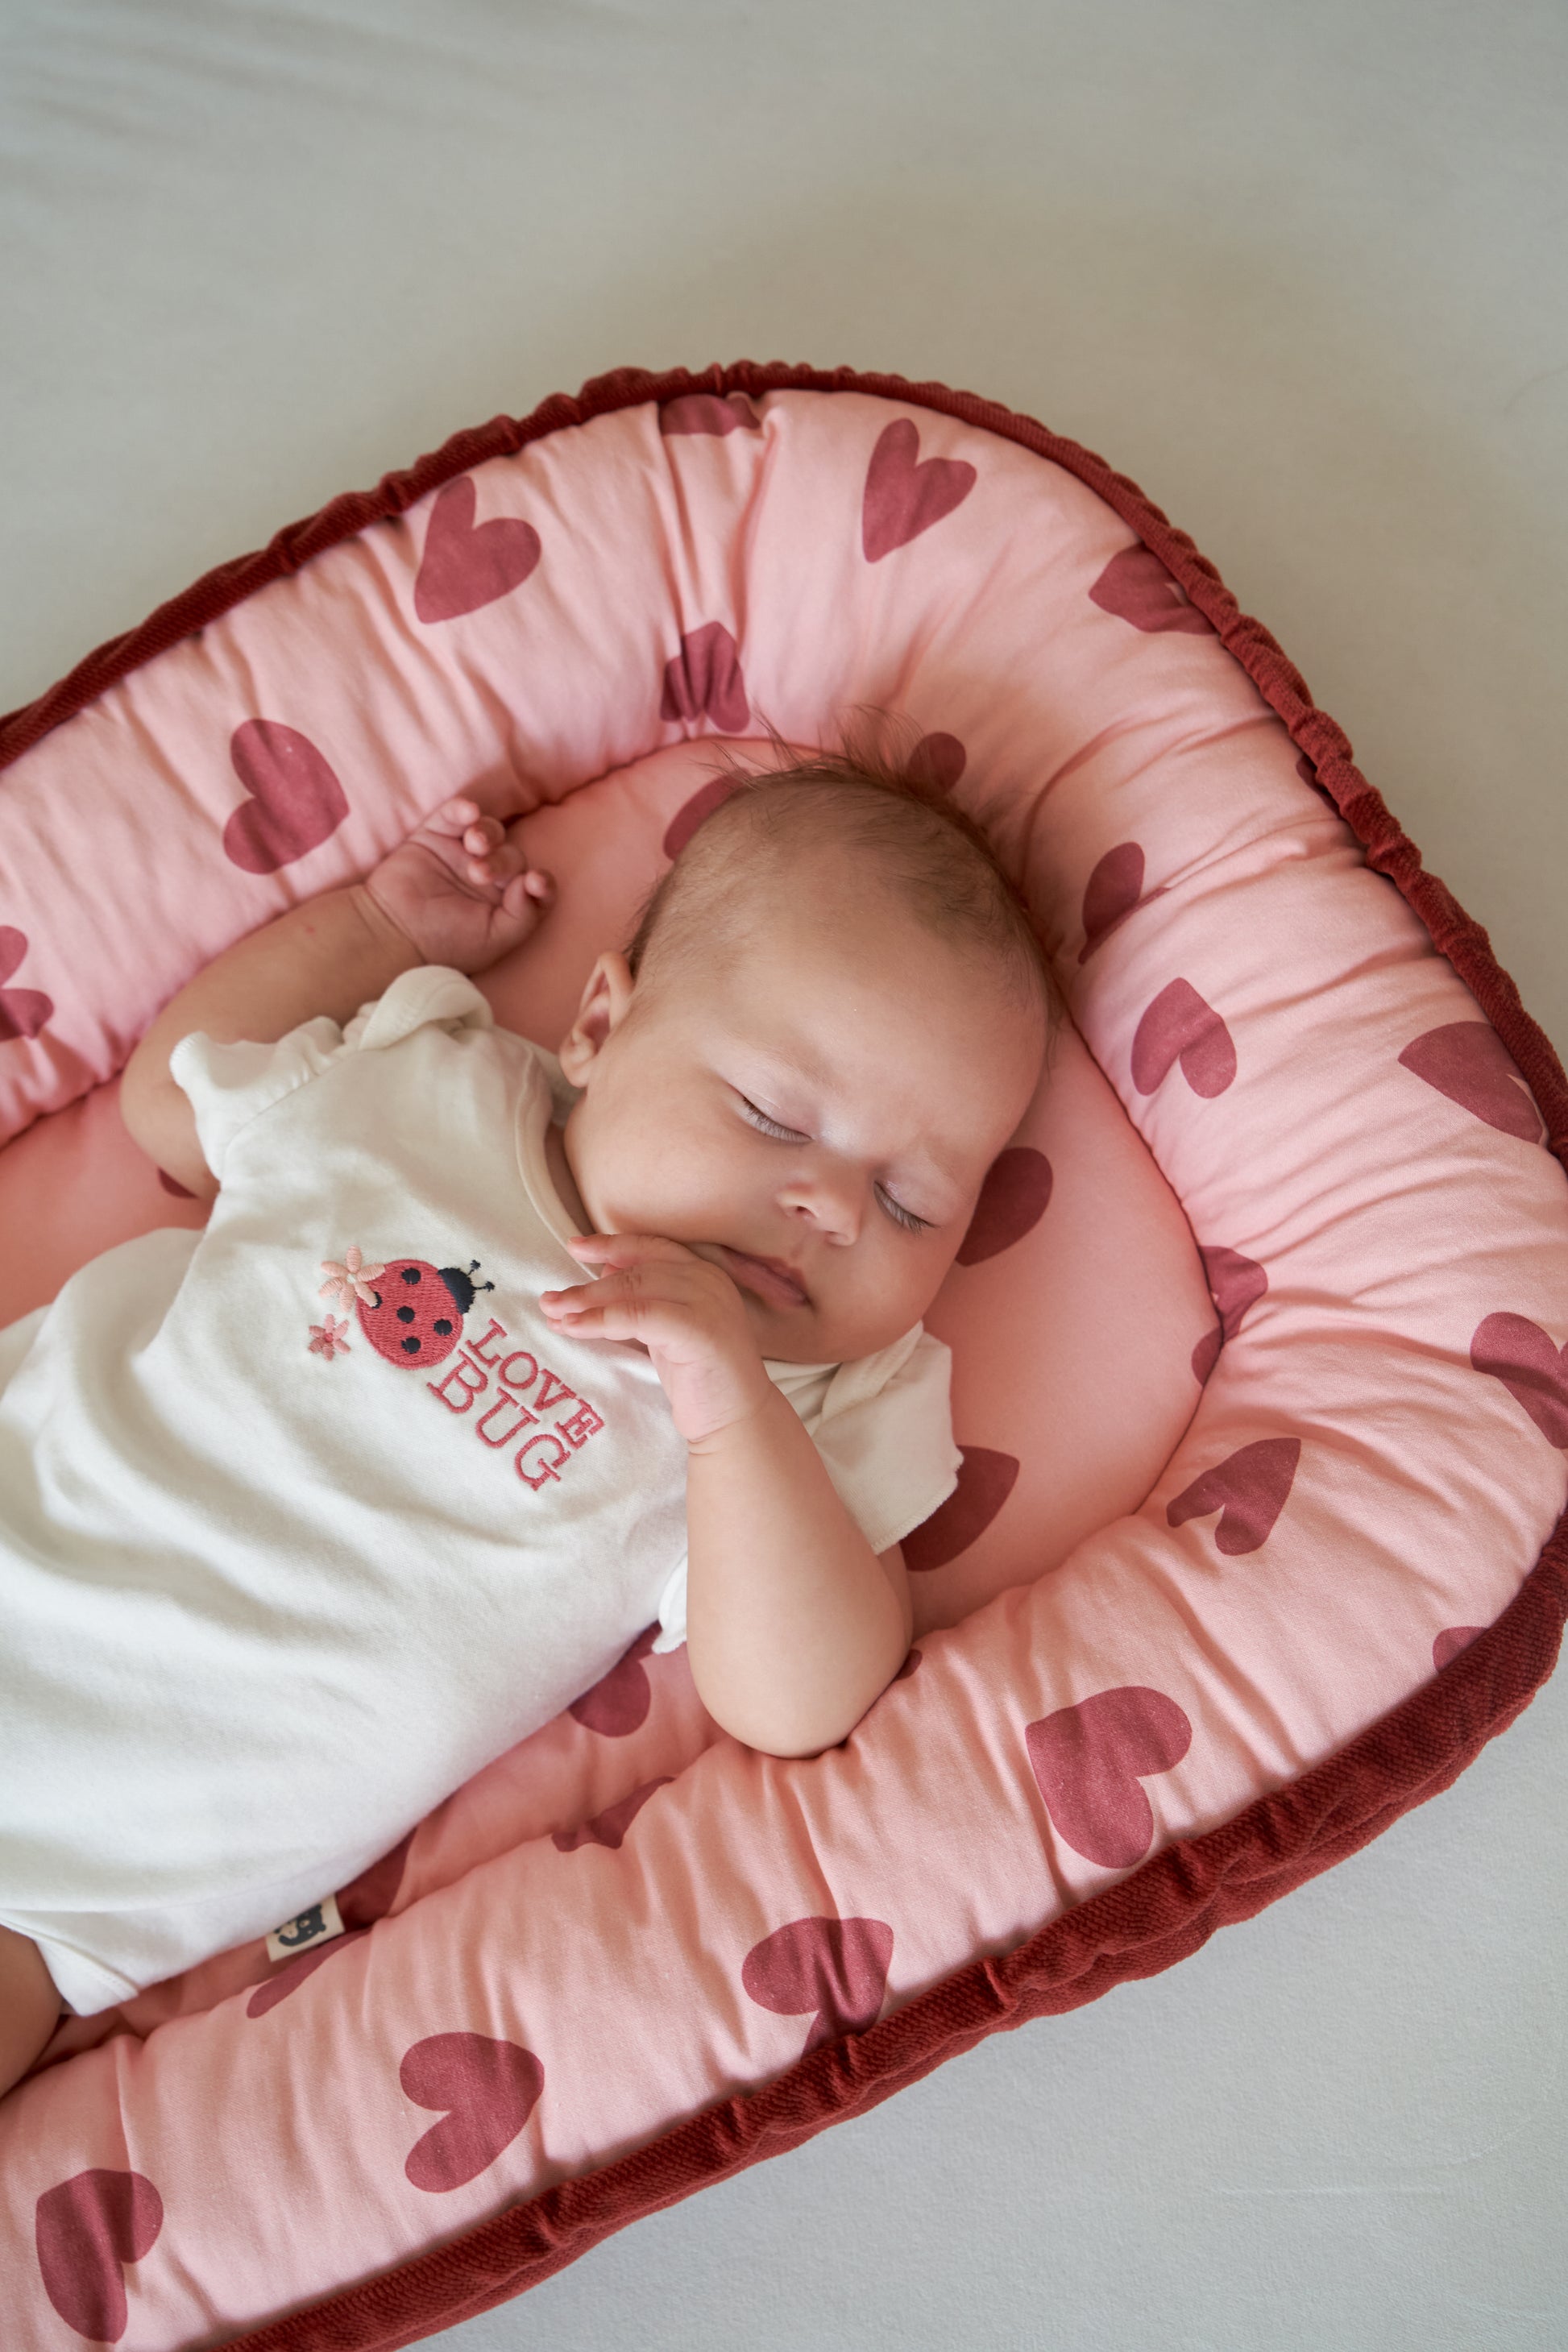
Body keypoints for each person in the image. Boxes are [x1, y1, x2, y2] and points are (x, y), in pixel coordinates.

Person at [0, 723, 1056, 2096]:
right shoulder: (416, 1087)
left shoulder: (812, 1402)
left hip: (88, 1861)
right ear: (602, 1026)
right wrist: (376, 925)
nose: (831, 1209)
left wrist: (731, 1410)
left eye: (915, 1201)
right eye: (772, 1117)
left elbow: (801, 1701)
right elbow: (172, 1098)